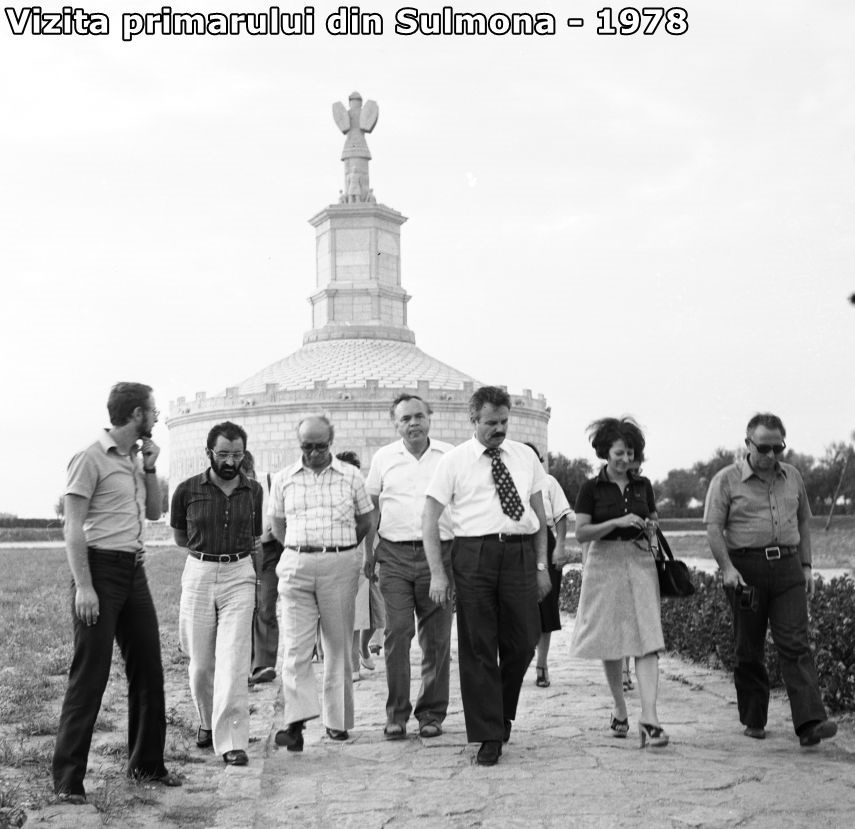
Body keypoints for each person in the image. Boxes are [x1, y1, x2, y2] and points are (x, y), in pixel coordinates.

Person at [52, 382, 181, 803]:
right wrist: (84, 586)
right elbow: (72, 526)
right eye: (153, 410)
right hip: (99, 571)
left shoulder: (134, 460)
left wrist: (150, 468)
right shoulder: (89, 457)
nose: (157, 416)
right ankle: (68, 780)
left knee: (149, 669)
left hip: (134, 572)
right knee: (90, 675)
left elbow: (155, 512)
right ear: (137, 414)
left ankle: (147, 764)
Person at [423, 385, 550, 766]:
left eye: (504, 422)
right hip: (473, 554)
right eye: (491, 422)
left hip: (519, 554)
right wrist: (438, 574)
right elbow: (429, 520)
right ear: (473, 419)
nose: (499, 429)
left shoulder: (525, 457)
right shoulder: (453, 461)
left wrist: (541, 566)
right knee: (478, 645)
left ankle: (501, 711)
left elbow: (540, 516)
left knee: (524, 641)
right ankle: (489, 734)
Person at [704, 413, 837, 747]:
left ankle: (810, 723)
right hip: (745, 571)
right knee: (749, 647)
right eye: (764, 448)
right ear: (747, 444)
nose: (771, 455)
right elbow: (713, 528)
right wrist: (727, 569)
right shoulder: (726, 480)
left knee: (795, 643)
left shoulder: (793, 476)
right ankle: (754, 718)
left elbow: (803, 522)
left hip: (788, 568)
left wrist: (806, 566)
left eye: (778, 448)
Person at [268, 416, 374, 749]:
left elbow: (365, 520)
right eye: (307, 446)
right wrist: (302, 548)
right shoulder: (284, 479)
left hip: (338, 565)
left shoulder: (351, 476)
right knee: (295, 648)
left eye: (320, 446)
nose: (313, 453)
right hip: (296, 565)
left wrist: (340, 549)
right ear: (299, 443)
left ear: (331, 441)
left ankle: (337, 722)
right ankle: (296, 724)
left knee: (338, 645)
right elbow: (277, 525)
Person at [570, 417, 668, 748]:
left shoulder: (644, 486)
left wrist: (651, 527)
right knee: (610, 639)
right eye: (619, 453)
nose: (625, 459)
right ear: (605, 453)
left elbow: (653, 520)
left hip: (640, 562)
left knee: (648, 638)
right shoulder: (590, 488)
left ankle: (650, 718)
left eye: (630, 453)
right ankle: (619, 706)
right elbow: (581, 533)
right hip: (604, 563)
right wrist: (617, 522)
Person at [171, 422, 262, 766]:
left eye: (237, 454)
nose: (230, 461)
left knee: (234, 660)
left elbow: (254, 537)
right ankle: (207, 722)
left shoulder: (254, 491)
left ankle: (232, 741)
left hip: (239, 573)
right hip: (199, 571)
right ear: (208, 452)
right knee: (201, 663)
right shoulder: (186, 490)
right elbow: (181, 537)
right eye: (223, 454)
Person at [365, 394, 455, 739]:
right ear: (395, 424)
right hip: (395, 556)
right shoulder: (384, 458)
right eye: (405, 419)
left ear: (430, 418)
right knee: (397, 632)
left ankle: (431, 713)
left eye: (419, 416)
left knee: (437, 640)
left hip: (440, 558)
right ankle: (396, 714)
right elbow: (373, 507)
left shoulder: (449, 456)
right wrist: (369, 552)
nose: (413, 423)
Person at [523, 443, 572, 689]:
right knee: (516, 608)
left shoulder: (549, 482)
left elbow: (562, 516)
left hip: (547, 542)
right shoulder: (510, 479)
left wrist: (559, 547)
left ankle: (542, 665)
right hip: (519, 544)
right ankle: (517, 662)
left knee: (547, 607)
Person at [244, 450, 285, 686]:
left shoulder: (272, 481)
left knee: (266, 605)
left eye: (246, 474)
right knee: (245, 608)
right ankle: (245, 664)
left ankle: (264, 664)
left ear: (252, 470)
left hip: (270, 552)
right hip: (242, 553)